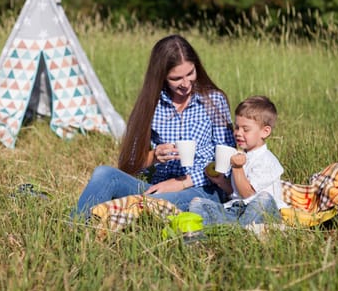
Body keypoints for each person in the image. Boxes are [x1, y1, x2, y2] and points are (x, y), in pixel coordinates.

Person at [74, 35, 236, 220]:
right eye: (176, 78)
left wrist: (182, 183)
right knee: (104, 174)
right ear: (162, 76)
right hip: (157, 188)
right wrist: (154, 157)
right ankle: (76, 227)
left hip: (203, 189)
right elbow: (130, 162)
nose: (185, 84)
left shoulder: (214, 100)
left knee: (156, 201)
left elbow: (227, 159)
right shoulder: (152, 104)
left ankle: (123, 211)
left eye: (190, 73)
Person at [189, 95, 286, 226]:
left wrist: (237, 168)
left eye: (245, 129)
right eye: (237, 127)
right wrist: (222, 182)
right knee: (197, 203)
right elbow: (236, 194)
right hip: (237, 210)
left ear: (265, 131)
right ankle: (237, 226)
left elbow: (247, 194)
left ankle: (240, 229)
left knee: (263, 199)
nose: (238, 133)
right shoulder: (240, 155)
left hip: (264, 210)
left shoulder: (267, 160)